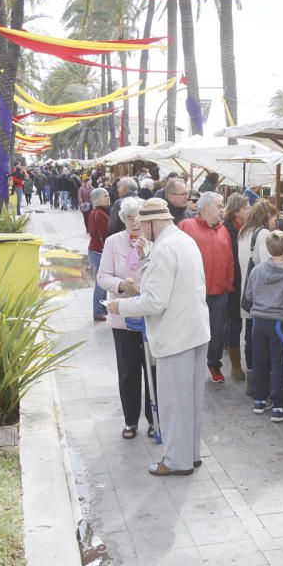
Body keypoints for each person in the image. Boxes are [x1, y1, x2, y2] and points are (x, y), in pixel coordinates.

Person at [107, 198, 211, 476]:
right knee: (191, 400)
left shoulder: (165, 248)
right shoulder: (184, 240)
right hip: (195, 330)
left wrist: (120, 306)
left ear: (153, 222)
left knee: (174, 403)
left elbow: (154, 302)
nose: (140, 231)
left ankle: (177, 461)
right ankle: (190, 455)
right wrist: (144, 259)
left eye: (143, 225)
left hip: (176, 334)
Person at [97, 197, 158, 439]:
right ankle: (130, 421)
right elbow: (102, 276)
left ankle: (154, 419)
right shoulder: (113, 242)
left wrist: (145, 287)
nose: (135, 222)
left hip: (149, 315)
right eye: (130, 218)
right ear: (123, 220)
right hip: (122, 314)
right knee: (128, 370)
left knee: (152, 370)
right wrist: (121, 284)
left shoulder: (154, 243)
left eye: (139, 217)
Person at [241, 231, 283, 422]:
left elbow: (249, 296)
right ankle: (279, 406)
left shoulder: (257, 270)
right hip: (279, 323)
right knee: (280, 365)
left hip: (258, 322)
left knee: (259, 361)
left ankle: (259, 400)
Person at [179, 191, 235, 384]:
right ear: (206, 208)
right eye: (219, 206)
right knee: (191, 331)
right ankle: (190, 366)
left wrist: (229, 283)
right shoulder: (186, 226)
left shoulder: (223, 230)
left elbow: (229, 259)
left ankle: (214, 363)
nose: (222, 210)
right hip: (194, 292)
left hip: (219, 291)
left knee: (217, 331)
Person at [238, 200, 279, 378]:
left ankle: (252, 377)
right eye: (275, 218)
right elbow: (267, 265)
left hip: (246, 292)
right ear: (268, 216)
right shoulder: (263, 234)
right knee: (259, 341)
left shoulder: (243, 231)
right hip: (261, 296)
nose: (276, 222)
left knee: (250, 337)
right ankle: (260, 381)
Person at [222, 193, 250, 381]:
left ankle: (251, 361)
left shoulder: (250, 229)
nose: (249, 211)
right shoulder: (225, 230)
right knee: (234, 324)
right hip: (233, 284)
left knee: (250, 324)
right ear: (236, 212)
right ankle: (236, 364)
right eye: (246, 208)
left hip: (249, 281)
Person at [86, 187, 112, 322]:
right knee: (101, 283)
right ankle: (98, 311)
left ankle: (102, 308)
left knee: (102, 282)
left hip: (95, 250)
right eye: (105, 196)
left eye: (108, 195)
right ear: (97, 199)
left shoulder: (98, 211)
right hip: (98, 251)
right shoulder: (99, 213)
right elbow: (105, 235)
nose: (108, 197)